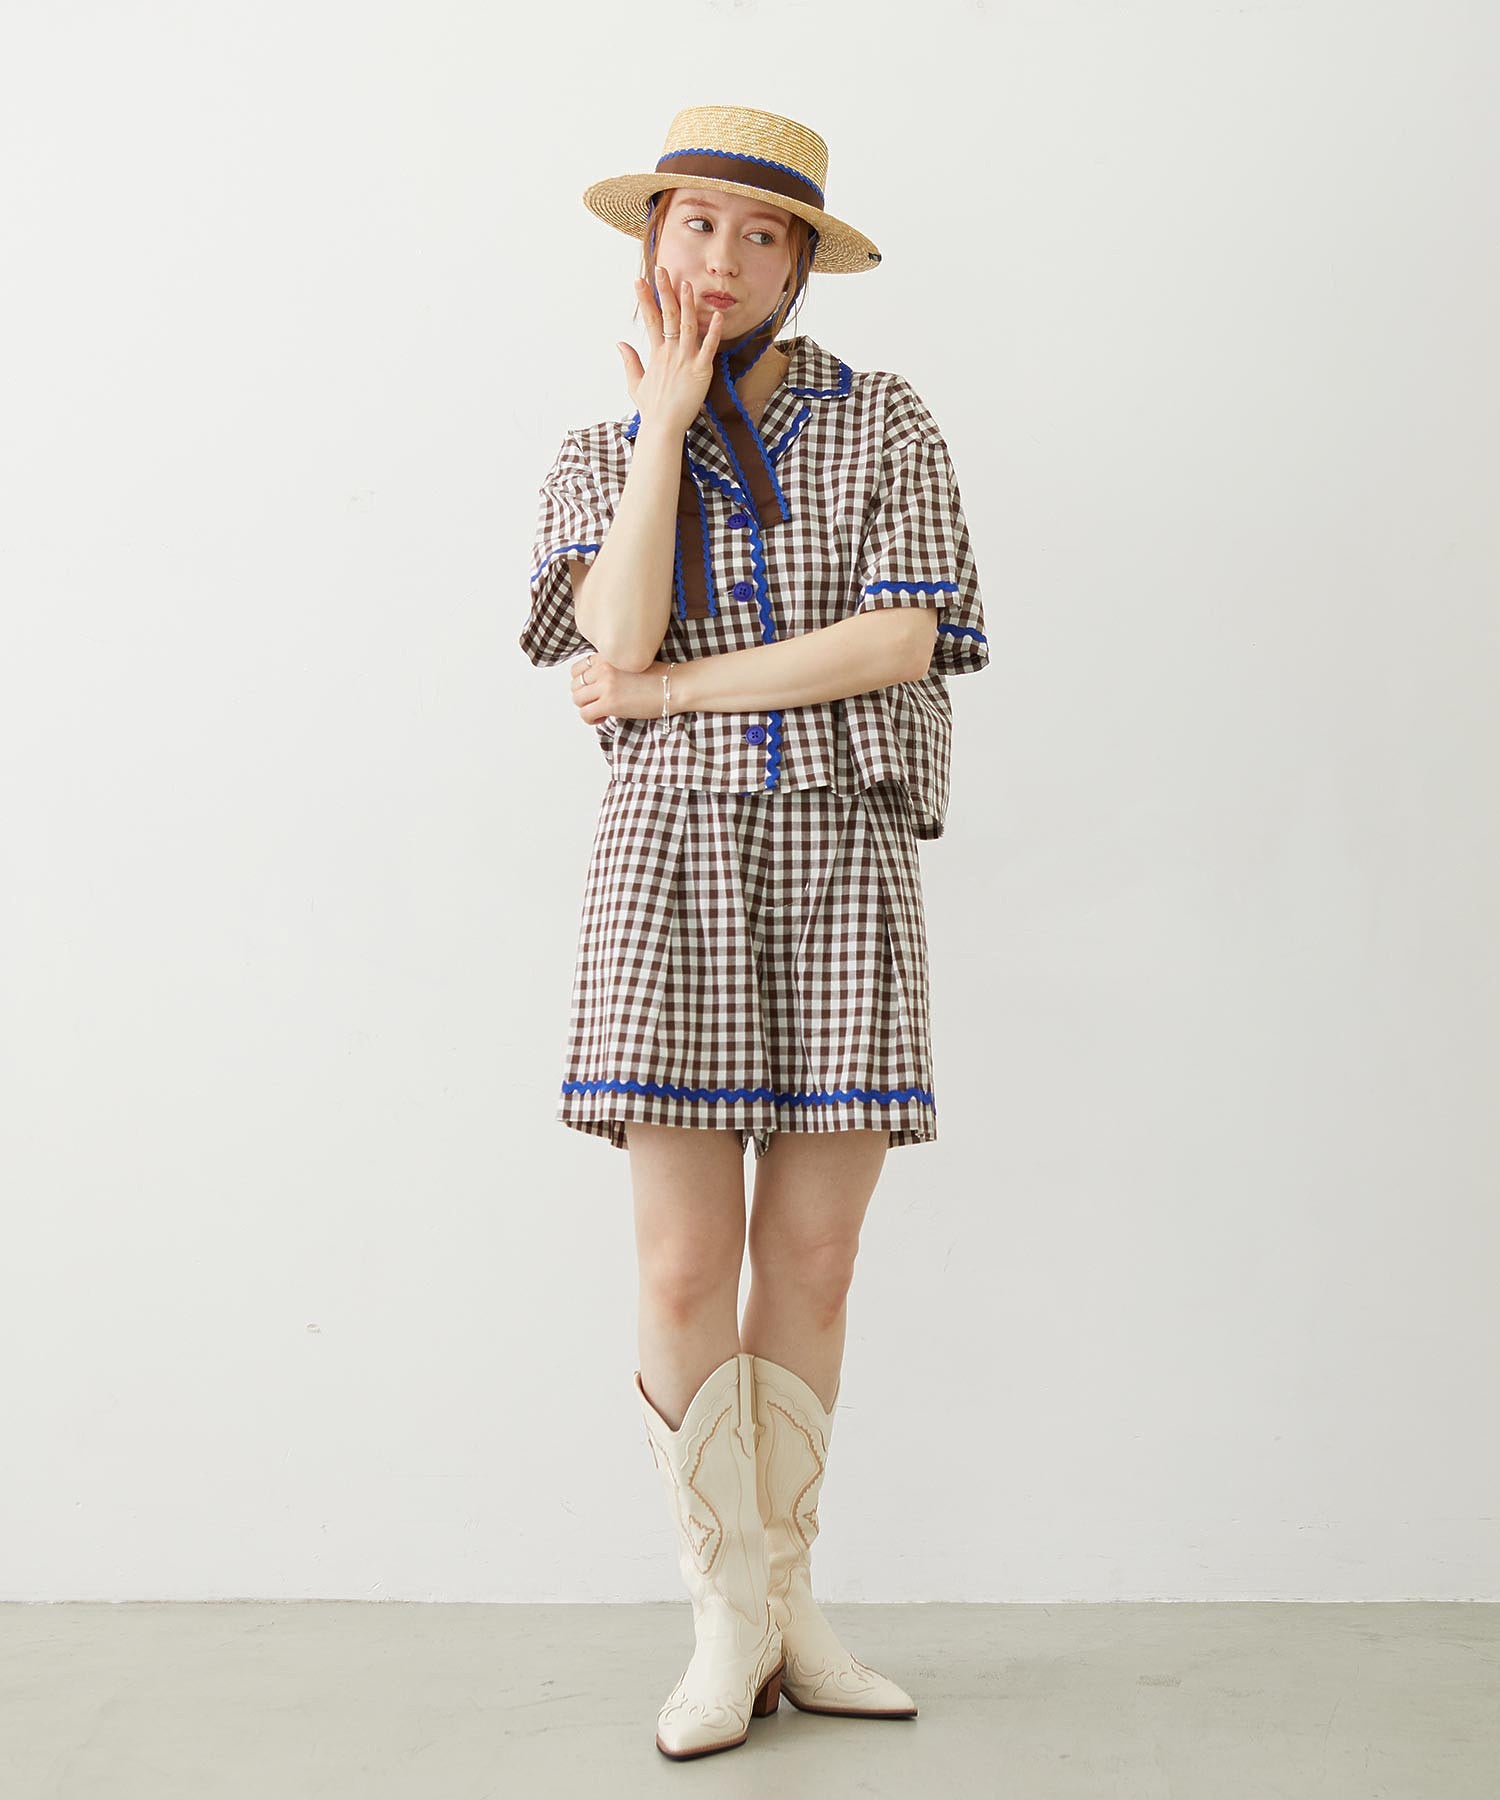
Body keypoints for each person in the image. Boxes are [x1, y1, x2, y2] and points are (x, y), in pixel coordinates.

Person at [521, 104, 989, 1760]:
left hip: (841, 854)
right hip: (671, 869)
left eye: (761, 232)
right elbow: (616, 623)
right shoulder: (595, 456)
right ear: (654, 242)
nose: (721, 258)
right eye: (695, 223)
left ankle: (793, 1605)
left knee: (814, 1258)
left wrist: (670, 694)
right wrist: (663, 427)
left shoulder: (886, 421)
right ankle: (726, 1621)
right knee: (678, 1263)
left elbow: (898, 640)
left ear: (801, 265)